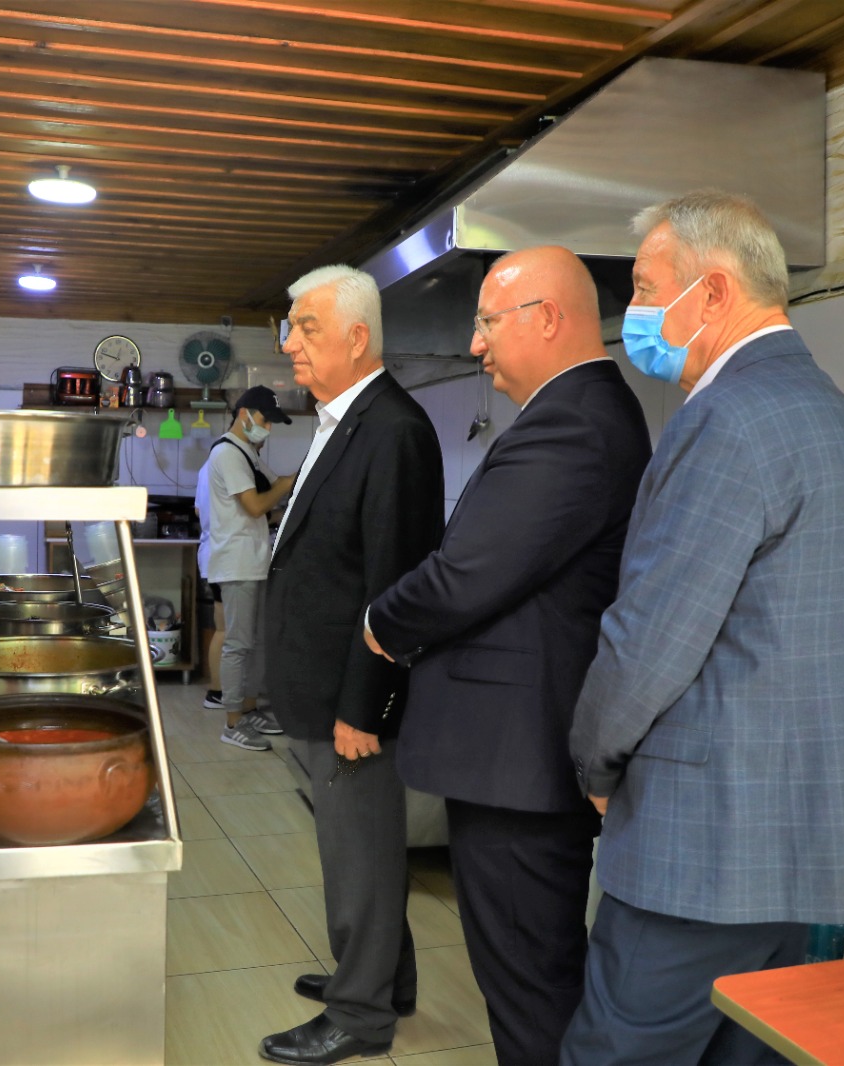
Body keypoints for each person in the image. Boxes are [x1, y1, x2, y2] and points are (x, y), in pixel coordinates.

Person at [562, 191, 844, 1065]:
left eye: (645, 288)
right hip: (812, 849)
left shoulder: (723, 420)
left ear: (712, 292)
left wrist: (595, 762)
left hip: (702, 851)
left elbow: (649, 640)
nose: (634, 312)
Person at [363, 246, 651, 1064]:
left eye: (488, 321)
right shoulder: (576, 411)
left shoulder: (575, 420)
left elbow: (466, 576)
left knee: (530, 984)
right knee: (527, 973)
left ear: (547, 318)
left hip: (519, 762)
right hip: (514, 757)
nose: (476, 343)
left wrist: (380, 622)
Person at [259, 265, 444, 1065]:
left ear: (357, 337)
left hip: (352, 696)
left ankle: (361, 1014)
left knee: (359, 855)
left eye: (307, 328)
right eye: (291, 328)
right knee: (355, 850)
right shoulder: (341, 420)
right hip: (317, 685)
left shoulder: (393, 429)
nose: (290, 344)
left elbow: (392, 586)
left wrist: (365, 707)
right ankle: (384, 978)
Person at [193, 385, 296, 750]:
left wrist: (289, 489)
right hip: (235, 563)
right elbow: (255, 506)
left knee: (256, 642)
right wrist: (289, 483)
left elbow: (271, 498)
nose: (267, 428)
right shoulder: (227, 453)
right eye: (265, 420)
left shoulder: (247, 453)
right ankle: (233, 721)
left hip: (254, 560)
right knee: (237, 644)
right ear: (244, 414)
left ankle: (250, 709)